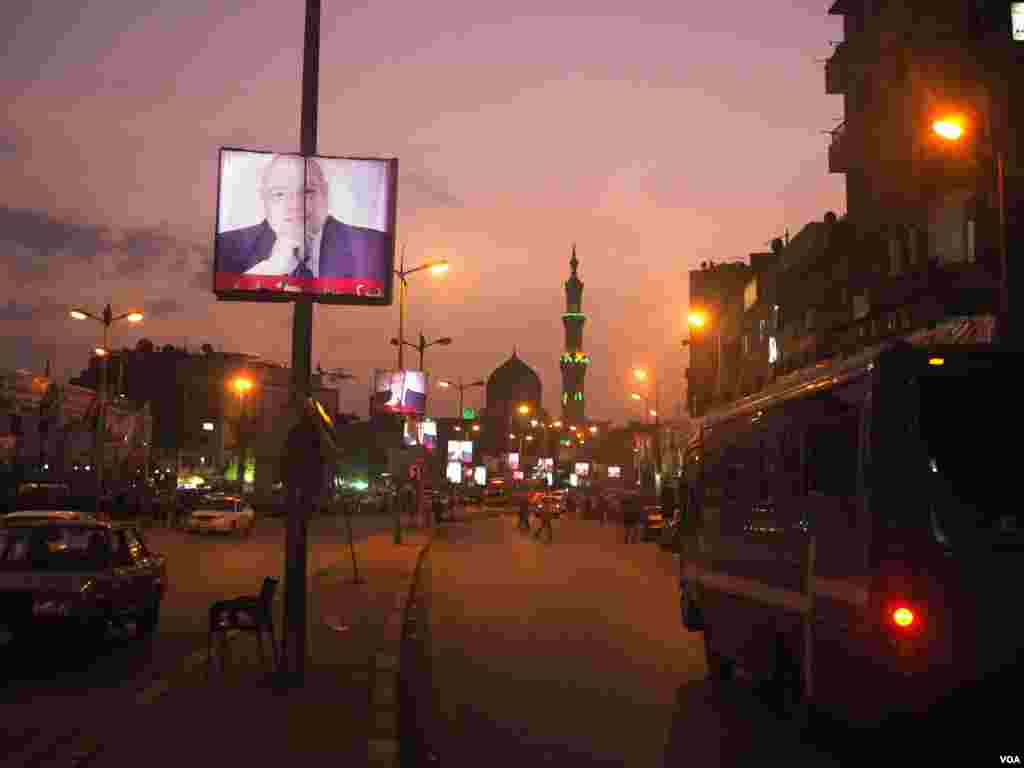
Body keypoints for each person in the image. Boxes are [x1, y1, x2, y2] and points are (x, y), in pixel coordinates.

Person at [216, 155, 389, 284]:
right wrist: (270, 268)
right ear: (264, 199)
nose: (295, 205)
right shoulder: (226, 247)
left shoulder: (375, 246)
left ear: (325, 193)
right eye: (279, 194)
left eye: (307, 191)